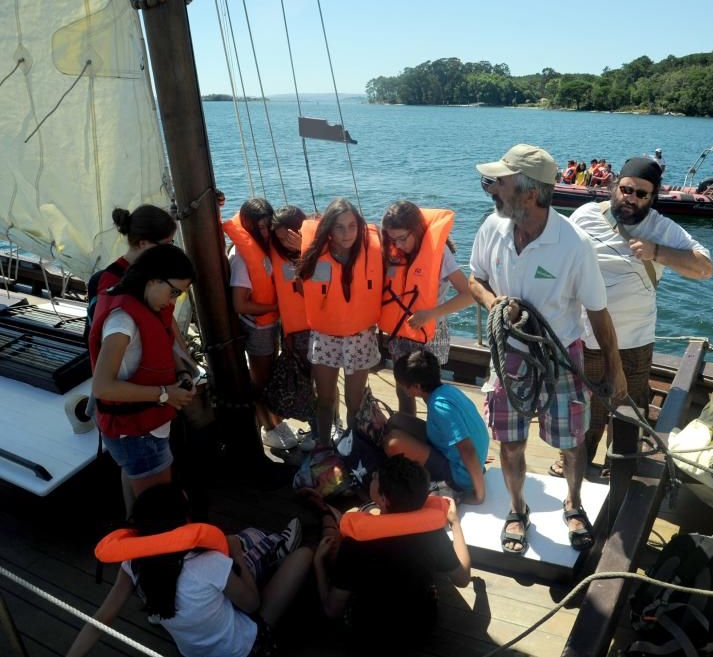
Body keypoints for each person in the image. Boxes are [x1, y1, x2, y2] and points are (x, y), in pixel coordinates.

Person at [471, 143, 626, 554]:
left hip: (559, 356)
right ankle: (517, 510)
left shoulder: (574, 245)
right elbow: (476, 280)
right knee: (510, 440)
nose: (490, 189)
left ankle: (573, 501)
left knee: (571, 440)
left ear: (530, 193)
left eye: (499, 182)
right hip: (508, 355)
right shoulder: (492, 227)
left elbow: (597, 311)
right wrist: (496, 304)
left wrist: (615, 367)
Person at [550, 156, 713, 478]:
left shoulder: (661, 229)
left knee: (628, 405)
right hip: (585, 335)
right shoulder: (585, 216)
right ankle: (574, 462)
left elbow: (705, 268)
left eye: (642, 194)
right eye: (627, 189)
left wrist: (657, 252)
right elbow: (557, 258)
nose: (632, 198)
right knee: (583, 404)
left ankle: (618, 465)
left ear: (653, 198)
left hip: (633, 340)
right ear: (615, 186)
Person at [67, 483, 312, 657]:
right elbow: (252, 605)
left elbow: (99, 620)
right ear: (182, 523)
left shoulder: (133, 564)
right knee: (302, 555)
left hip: (194, 651)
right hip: (248, 647)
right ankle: (278, 548)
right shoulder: (209, 562)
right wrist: (235, 554)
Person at [312, 455, 471, 650]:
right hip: (420, 629)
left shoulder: (355, 543)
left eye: (375, 478)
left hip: (367, 634)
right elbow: (462, 579)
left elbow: (331, 611)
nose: (373, 478)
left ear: (384, 500)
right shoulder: (433, 534)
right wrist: (455, 523)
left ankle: (324, 514)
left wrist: (318, 564)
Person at [89, 245, 198, 514]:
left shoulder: (145, 304)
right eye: (173, 292)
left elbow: (161, 348)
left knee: (140, 505)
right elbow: (102, 387)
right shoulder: (122, 322)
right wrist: (164, 394)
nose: (173, 301)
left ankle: (132, 545)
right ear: (153, 279)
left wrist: (182, 374)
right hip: (137, 435)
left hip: (144, 430)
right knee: (159, 513)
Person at [298, 198, 383, 446]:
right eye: (339, 227)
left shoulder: (373, 253)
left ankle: (352, 447)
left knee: (355, 402)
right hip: (326, 337)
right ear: (329, 230)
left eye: (352, 226)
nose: (347, 233)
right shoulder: (316, 255)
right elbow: (302, 288)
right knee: (324, 399)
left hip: (360, 337)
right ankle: (324, 445)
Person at [380, 200, 474, 414]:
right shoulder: (395, 251)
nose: (398, 245)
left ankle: (437, 434)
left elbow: (469, 294)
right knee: (403, 390)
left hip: (430, 333)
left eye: (402, 238)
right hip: (401, 334)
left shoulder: (440, 253)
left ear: (417, 230)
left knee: (429, 393)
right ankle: (409, 431)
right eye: (392, 239)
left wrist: (430, 314)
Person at [222, 199, 294, 450]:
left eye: (267, 226)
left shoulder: (263, 249)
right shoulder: (242, 258)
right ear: (248, 226)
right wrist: (276, 307)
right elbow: (241, 304)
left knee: (271, 374)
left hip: (270, 325)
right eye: (259, 227)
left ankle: (276, 420)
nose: (264, 233)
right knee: (261, 379)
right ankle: (269, 427)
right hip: (258, 328)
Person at [387, 350, 488, 504]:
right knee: (396, 420)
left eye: (403, 386)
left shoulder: (439, 407)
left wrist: (479, 495)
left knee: (393, 442)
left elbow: (467, 449)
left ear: (416, 387)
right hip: (454, 454)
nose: (402, 389)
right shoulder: (447, 390)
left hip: (460, 476)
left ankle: (407, 479)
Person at [85, 205, 177, 339]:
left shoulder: (153, 273)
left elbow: (167, 324)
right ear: (143, 243)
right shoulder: (111, 282)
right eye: (166, 245)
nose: (169, 251)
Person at [268, 205, 316, 450]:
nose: (284, 243)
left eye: (288, 236)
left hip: (317, 330)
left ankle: (324, 429)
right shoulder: (276, 255)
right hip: (292, 332)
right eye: (279, 238)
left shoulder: (319, 253)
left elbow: (327, 288)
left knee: (320, 384)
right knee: (301, 383)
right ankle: (315, 427)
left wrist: (303, 250)